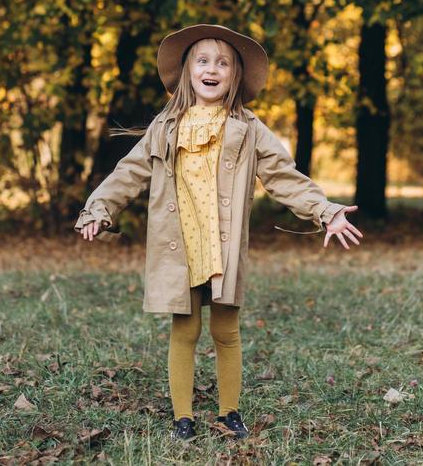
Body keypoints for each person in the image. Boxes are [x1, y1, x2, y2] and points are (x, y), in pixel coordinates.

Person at [74, 23, 363, 442]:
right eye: (203, 61)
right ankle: (182, 418)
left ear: (235, 75)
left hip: (221, 245)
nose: (213, 69)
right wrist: (99, 208)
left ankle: (230, 413)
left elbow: (284, 176)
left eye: (223, 63)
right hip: (180, 246)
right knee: (184, 331)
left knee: (225, 331)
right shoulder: (166, 125)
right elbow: (128, 172)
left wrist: (325, 210)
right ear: (189, 71)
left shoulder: (247, 127)